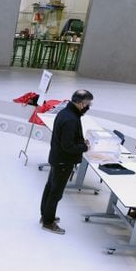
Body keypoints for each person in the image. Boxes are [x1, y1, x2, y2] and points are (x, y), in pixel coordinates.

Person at [40, 90, 93, 235]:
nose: (88, 106)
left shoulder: (66, 113)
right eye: (88, 104)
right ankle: (48, 222)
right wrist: (85, 147)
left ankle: (45, 215)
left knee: (50, 187)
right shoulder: (71, 119)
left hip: (57, 158)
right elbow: (68, 146)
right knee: (55, 192)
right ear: (81, 103)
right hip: (63, 161)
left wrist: (81, 142)